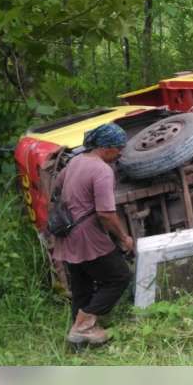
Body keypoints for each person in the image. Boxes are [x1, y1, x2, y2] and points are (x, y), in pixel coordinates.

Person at [53, 123, 135, 346]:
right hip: (88, 237)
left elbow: (57, 186)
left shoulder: (75, 161)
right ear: (106, 147)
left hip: (67, 234)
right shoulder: (102, 170)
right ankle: (84, 326)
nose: (120, 153)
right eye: (119, 148)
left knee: (82, 285)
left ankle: (78, 340)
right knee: (119, 277)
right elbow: (106, 213)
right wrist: (123, 238)